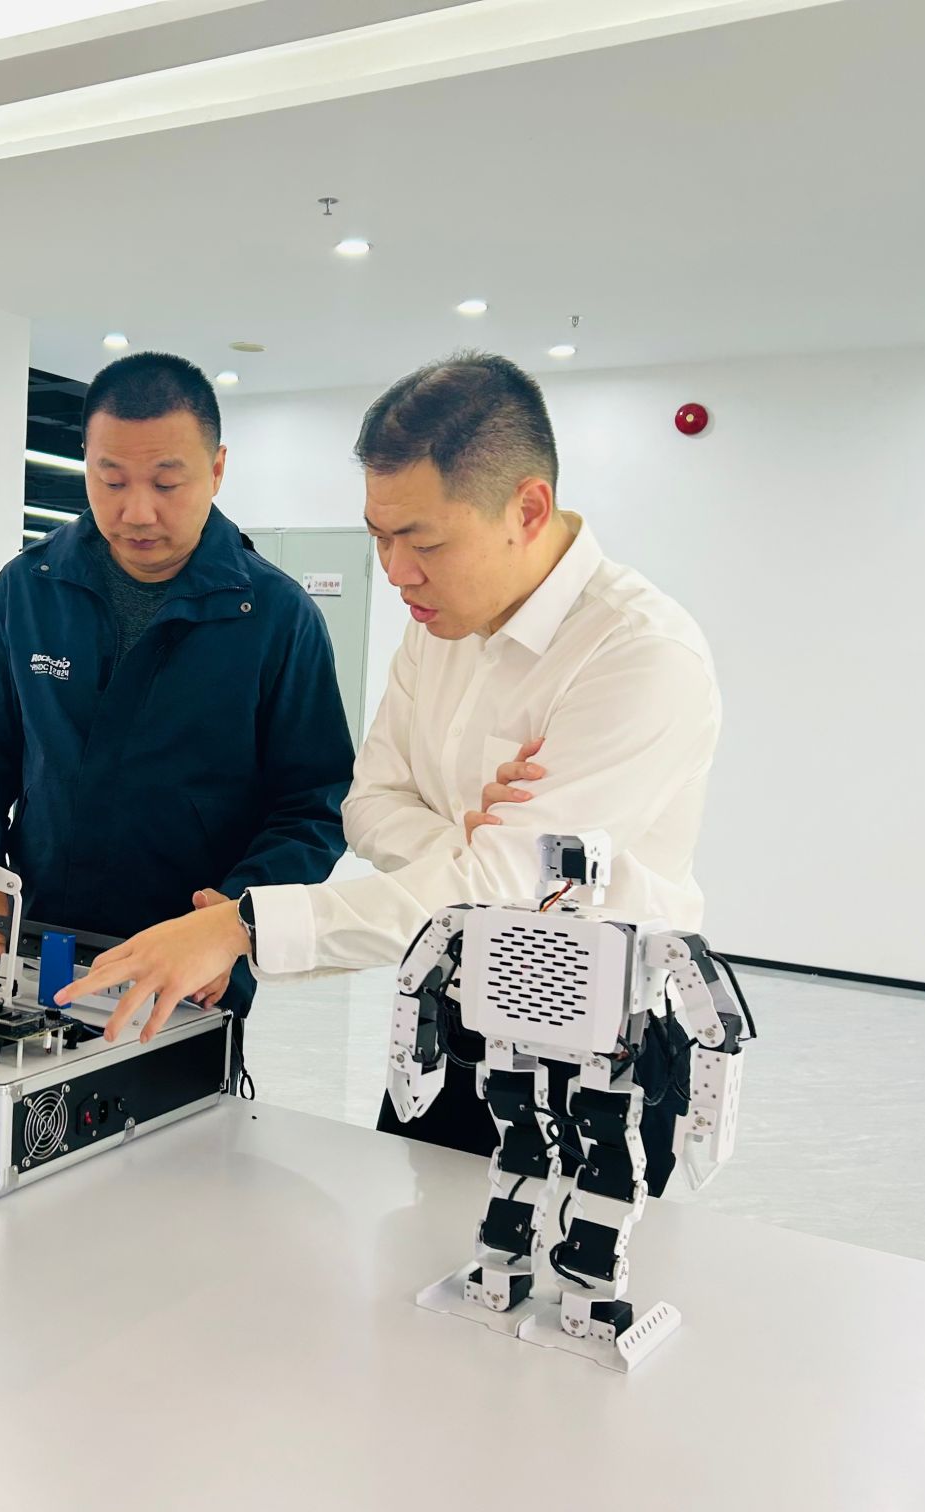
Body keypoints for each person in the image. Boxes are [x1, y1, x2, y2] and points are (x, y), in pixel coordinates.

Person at [55, 351, 722, 1154]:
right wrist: (469, 849)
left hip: (598, 1054)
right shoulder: (439, 623)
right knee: (412, 1223)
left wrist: (243, 926)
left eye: (423, 541)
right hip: (449, 1018)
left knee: (564, 1237)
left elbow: (501, 891)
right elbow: (369, 805)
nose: (398, 573)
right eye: (379, 538)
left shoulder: (637, 655)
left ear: (527, 509)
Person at [0, 351, 356, 1074]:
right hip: (34, 949)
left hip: (188, 972)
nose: (137, 511)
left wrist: (233, 919)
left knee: (171, 1138)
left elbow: (314, 805)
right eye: (112, 480)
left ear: (217, 469)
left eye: (166, 482)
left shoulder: (275, 617)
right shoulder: (29, 589)